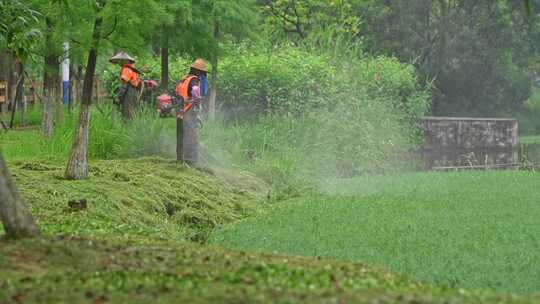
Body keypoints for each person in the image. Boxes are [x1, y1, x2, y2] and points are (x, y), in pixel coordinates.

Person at [175, 58, 209, 166]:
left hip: (180, 110)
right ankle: (190, 160)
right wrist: (197, 104)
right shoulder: (194, 80)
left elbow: (176, 92)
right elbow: (195, 91)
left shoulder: (184, 79)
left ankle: (180, 159)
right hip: (189, 109)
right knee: (191, 135)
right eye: (202, 72)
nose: (203, 75)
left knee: (181, 135)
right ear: (198, 71)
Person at [109, 52, 141, 120]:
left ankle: (127, 129)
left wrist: (119, 97)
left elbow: (124, 85)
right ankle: (133, 128)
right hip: (135, 92)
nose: (119, 63)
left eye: (121, 61)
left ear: (126, 61)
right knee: (133, 112)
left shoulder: (126, 70)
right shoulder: (133, 69)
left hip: (129, 92)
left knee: (127, 113)